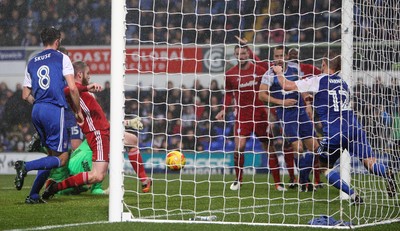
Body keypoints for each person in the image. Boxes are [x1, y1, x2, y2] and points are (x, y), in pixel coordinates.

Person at [274, 51, 398, 202]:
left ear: (324, 63)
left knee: (325, 166)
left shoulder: (318, 80)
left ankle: (352, 195)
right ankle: (388, 173)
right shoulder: (343, 83)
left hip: (335, 133)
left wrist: (279, 72)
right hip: (355, 129)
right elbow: (335, 101)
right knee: (370, 164)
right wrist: (317, 99)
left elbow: (287, 86)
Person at [42, 61, 151, 199]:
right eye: (88, 74)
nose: (90, 76)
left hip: (105, 129)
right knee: (97, 176)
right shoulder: (73, 90)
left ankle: (144, 179)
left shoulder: (84, 92)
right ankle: (55, 187)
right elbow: (68, 90)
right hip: (97, 133)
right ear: (80, 74)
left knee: (132, 140)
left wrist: (127, 123)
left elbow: (101, 120)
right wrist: (87, 87)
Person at [15, 27, 83, 204]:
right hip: (54, 109)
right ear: (58, 41)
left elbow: (24, 95)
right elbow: (73, 88)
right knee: (62, 158)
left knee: (51, 156)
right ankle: (25, 166)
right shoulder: (62, 57)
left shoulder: (32, 61)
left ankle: (34, 195)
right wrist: (78, 111)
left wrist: (39, 105)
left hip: (37, 110)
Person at [215, 44, 284, 191]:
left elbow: (268, 89)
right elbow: (228, 94)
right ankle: (238, 180)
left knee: (269, 148)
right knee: (238, 148)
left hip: (260, 114)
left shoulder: (259, 70)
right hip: (242, 116)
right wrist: (223, 110)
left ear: (248, 54)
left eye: (243, 53)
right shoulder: (230, 74)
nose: (241, 56)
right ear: (235, 55)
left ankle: (278, 183)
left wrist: (271, 109)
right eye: (238, 53)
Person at [259, 45, 320, 191]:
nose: (279, 59)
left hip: (301, 111)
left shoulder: (294, 68)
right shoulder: (269, 74)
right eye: (276, 56)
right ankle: (303, 182)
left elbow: (301, 87)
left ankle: (304, 179)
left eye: (281, 56)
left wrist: (307, 104)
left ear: (286, 56)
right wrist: (282, 103)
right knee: (297, 148)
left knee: (316, 148)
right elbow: (261, 95)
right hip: (286, 113)